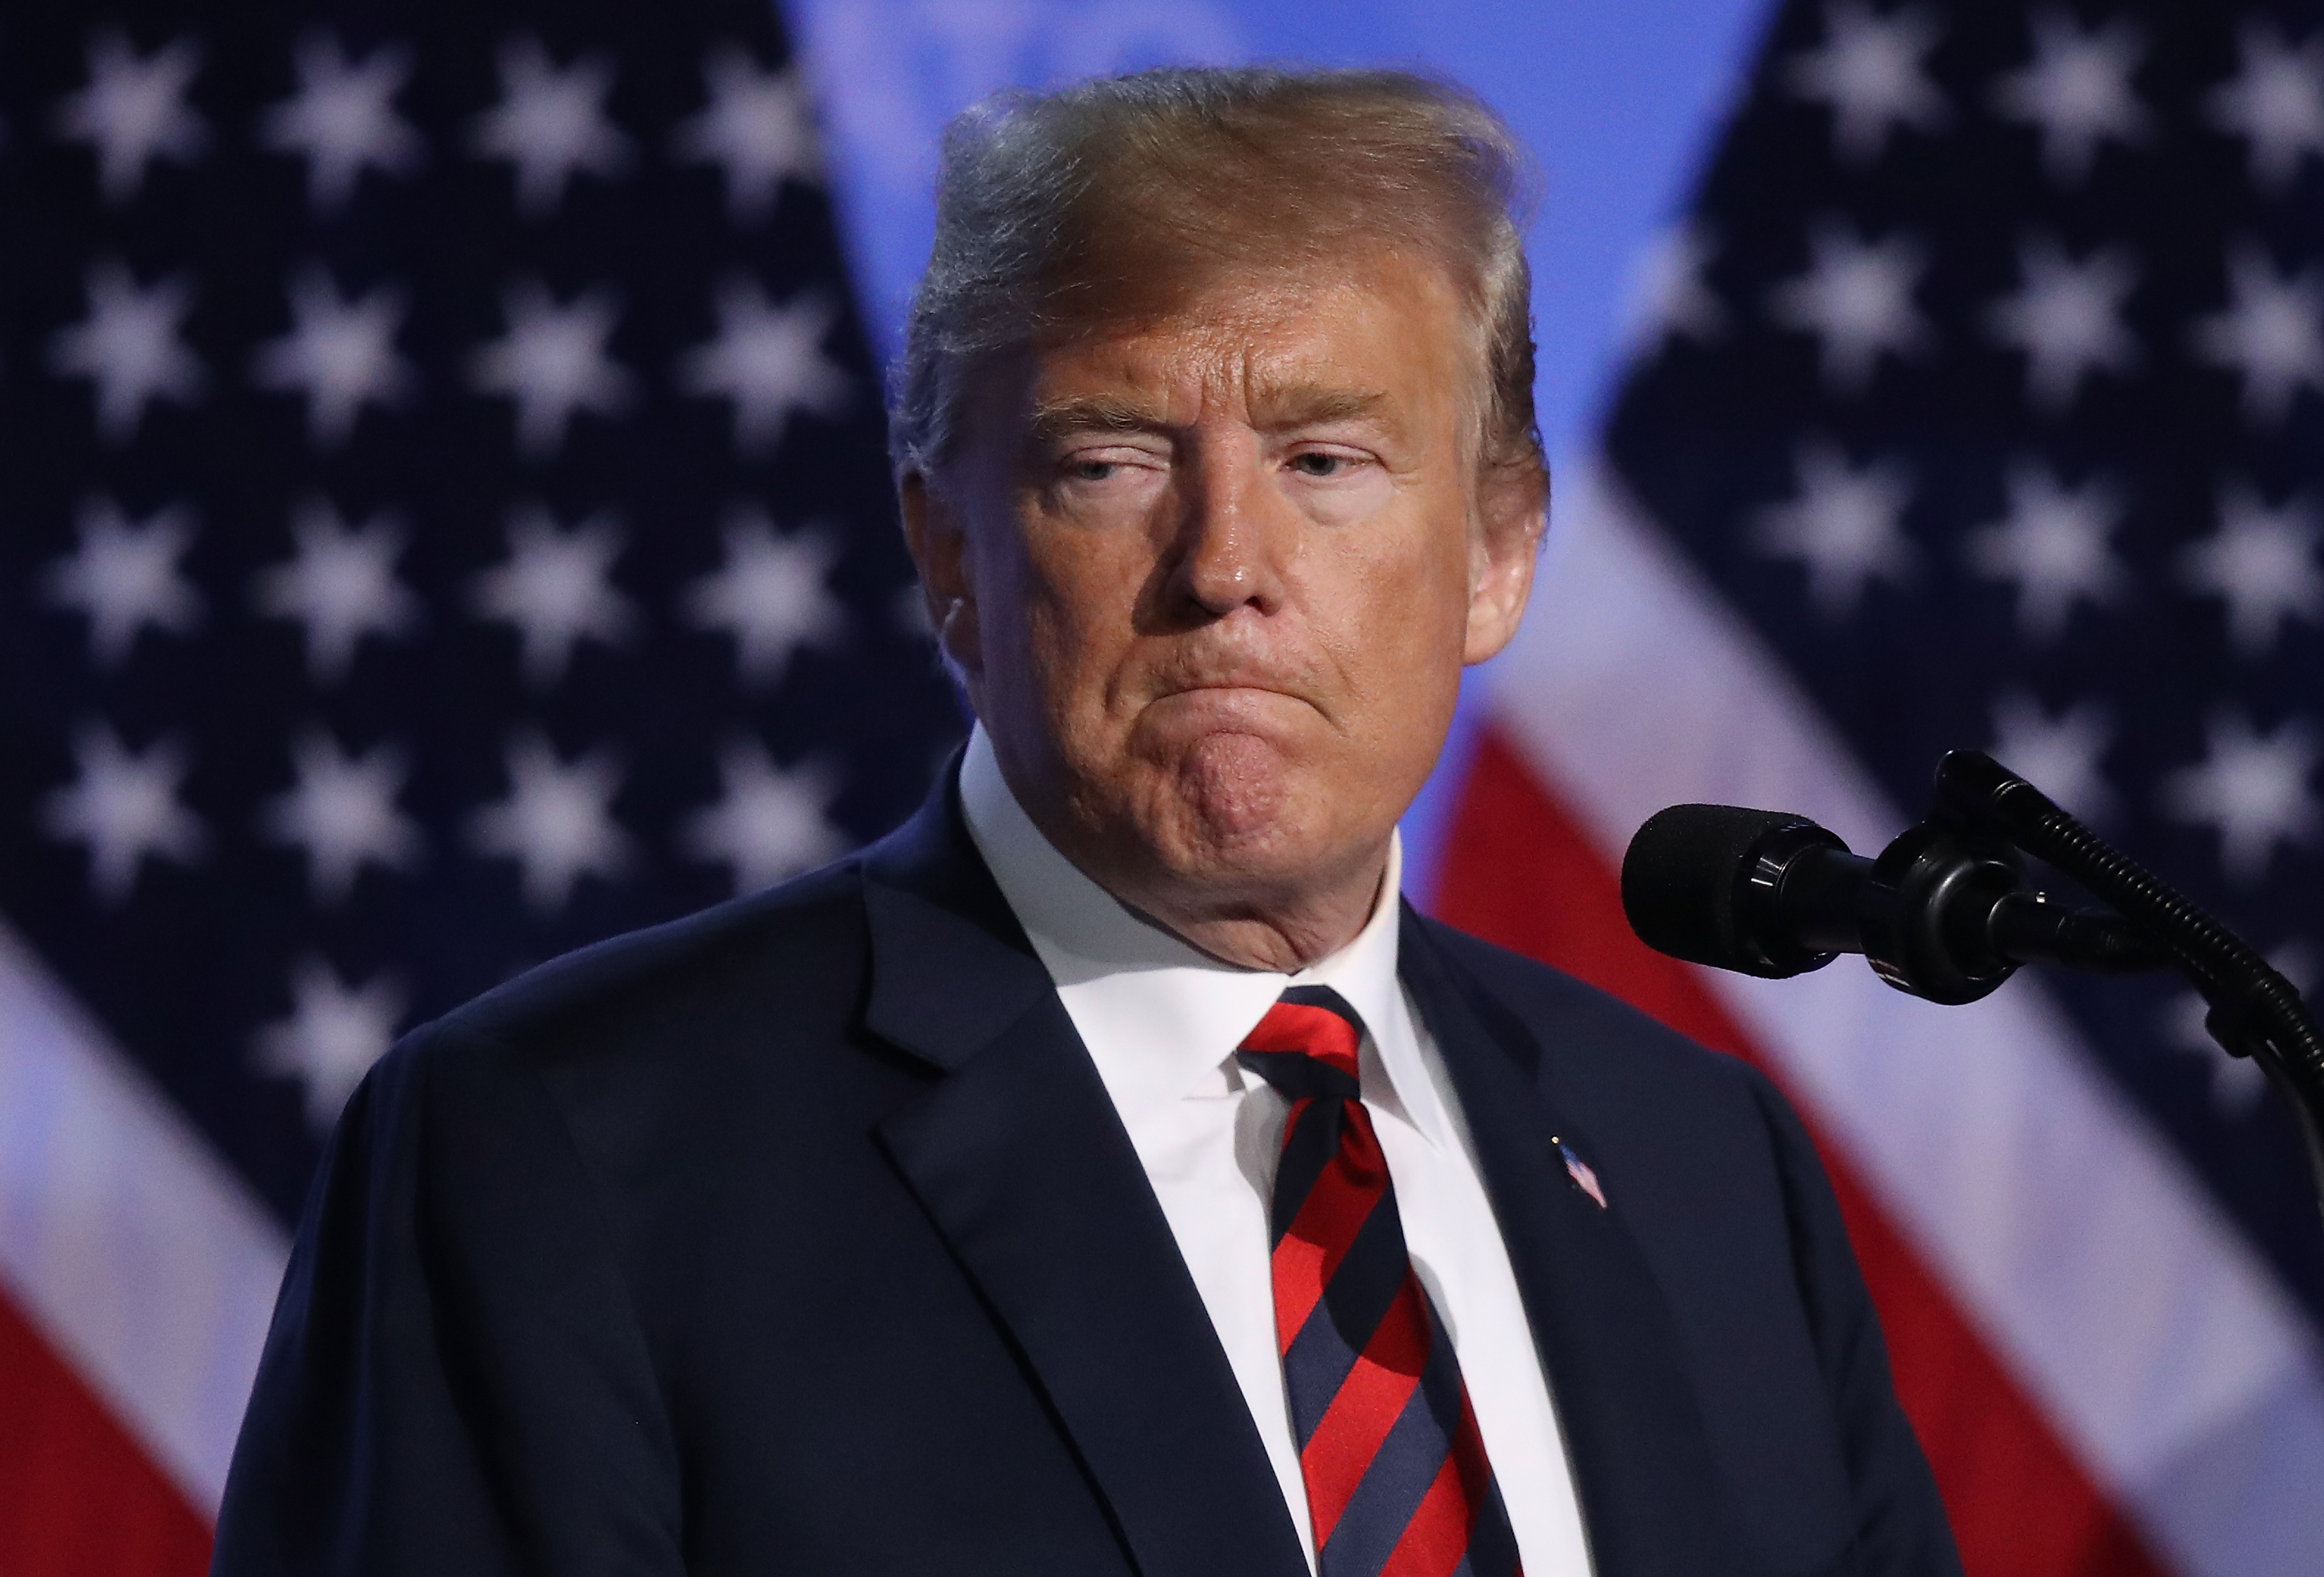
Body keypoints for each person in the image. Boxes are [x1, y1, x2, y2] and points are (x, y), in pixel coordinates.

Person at [213, 67, 1961, 1577]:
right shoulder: (561, 1154)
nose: (1223, 569)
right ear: (950, 552)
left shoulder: (1700, 1172)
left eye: (1325, 460)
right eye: (1109, 460)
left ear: (1499, 550)